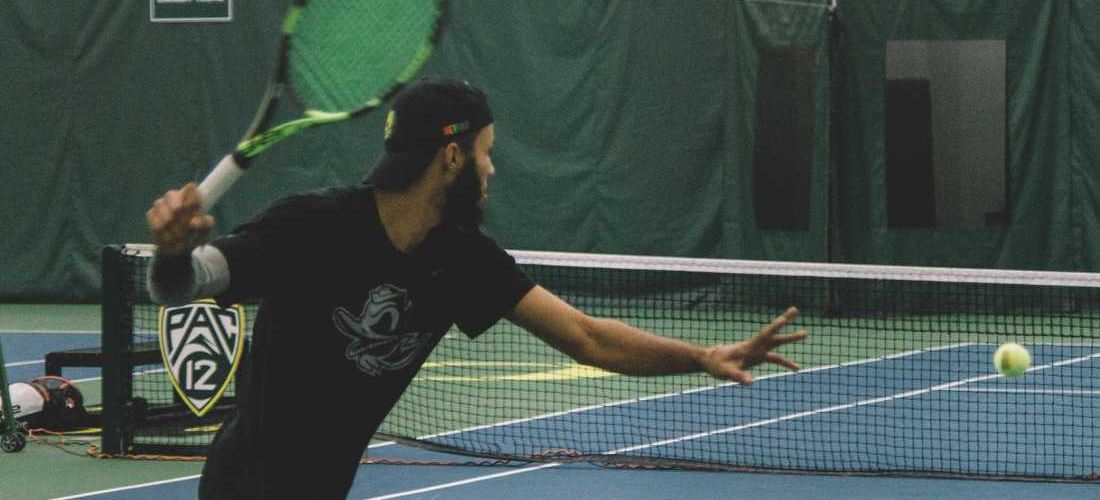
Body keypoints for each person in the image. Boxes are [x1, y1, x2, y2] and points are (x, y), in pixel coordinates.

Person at [146, 77, 807, 499]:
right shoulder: (313, 225)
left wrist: (701, 358)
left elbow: (587, 338)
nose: (492, 170)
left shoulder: (463, 260)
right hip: (243, 488)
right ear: (453, 157)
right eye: (487, 153)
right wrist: (173, 252)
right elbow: (189, 283)